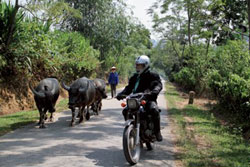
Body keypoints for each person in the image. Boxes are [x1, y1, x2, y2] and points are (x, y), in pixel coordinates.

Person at [116, 55, 163, 141]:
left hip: (148, 99)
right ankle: (132, 129)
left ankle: (157, 132)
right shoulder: (134, 77)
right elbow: (129, 88)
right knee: (125, 111)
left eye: (140, 65)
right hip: (135, 99)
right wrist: (121, 94)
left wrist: (155, 91)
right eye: (137, 65)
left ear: (145, 65)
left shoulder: (152, 75)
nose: (137, 67)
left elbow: (158, 84)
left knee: (154, 110)